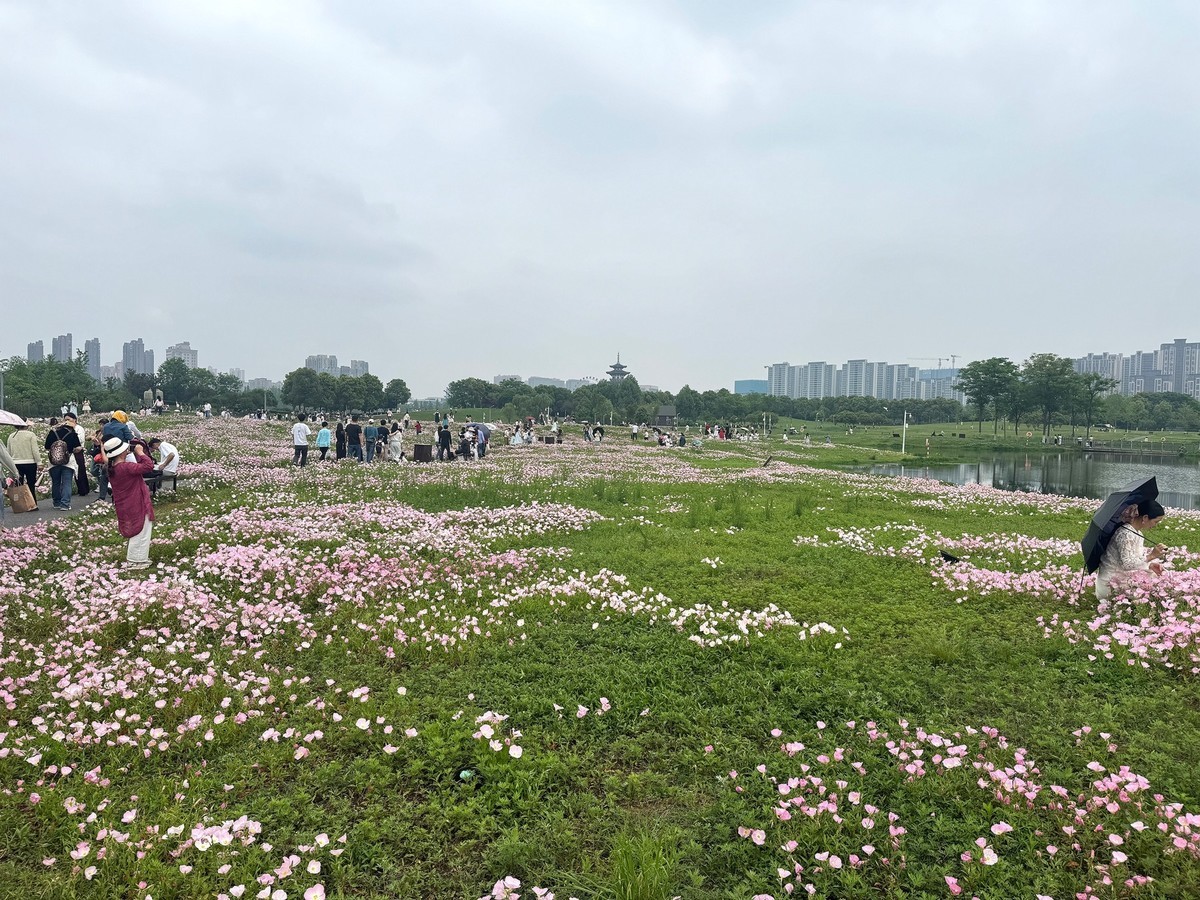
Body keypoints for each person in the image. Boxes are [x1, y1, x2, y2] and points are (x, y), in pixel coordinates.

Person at [1096, 499, 1167, 600]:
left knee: (1156, 580)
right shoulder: (1125, 533)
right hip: (1110, 583)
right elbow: (1127, 564)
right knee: (1154, 590)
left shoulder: (1137, 533)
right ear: (1145, 517)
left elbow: (1135, 558)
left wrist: (1149, 565)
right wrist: (1151, 556)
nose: (1155, 525)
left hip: (1122, 576)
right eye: (1156, 522)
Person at [102, 436, 156, 568]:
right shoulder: (126, 467)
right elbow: (149, 466)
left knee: (135, 528)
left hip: (125, 502)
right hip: (136, 501)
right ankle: (136, 560)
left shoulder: (112, 467)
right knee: (141, 529)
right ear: (121, 452)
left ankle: (137, 558)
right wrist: (140, 452)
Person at [44, 416, 81, 510]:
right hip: (68, 462)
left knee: (56, 482)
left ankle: (56, 503)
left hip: (53, 462)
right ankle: (65, 504)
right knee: (67, 483)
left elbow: (47, 446)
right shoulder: (72, 433)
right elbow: (77, 447)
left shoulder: (53, 432)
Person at [7, 420, 40, 491]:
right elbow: (35, 450)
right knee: (31, 485)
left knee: (18, 486)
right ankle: (31, 498)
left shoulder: (11, 436)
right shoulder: (31, 435)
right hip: (30, 463)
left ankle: (19, 498)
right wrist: (39, 462)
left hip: (16, 463)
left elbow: (8, 452)